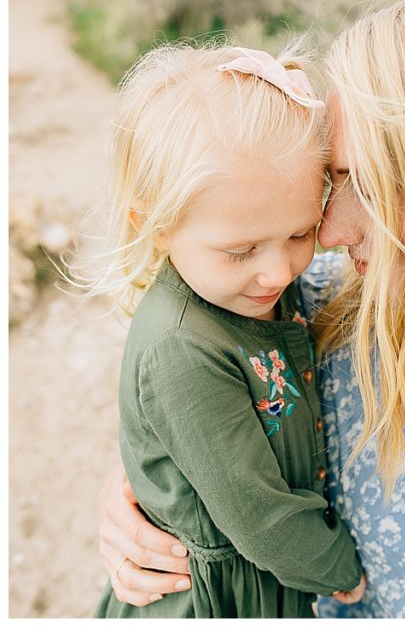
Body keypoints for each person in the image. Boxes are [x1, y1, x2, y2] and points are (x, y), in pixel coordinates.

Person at [95, 0, 405, 618]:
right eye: (332, 182)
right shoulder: (317, 312)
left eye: (367, 184)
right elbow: (189, 417)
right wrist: (136, 500)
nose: (329, 235)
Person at [82, 42, 365, 617]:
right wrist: (340, 570)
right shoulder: (180, 349)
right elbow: (259, 513)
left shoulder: (265, 290)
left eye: (300, 234)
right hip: (220, 600)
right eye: (241, 251)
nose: (279, 271)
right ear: (156, 225)